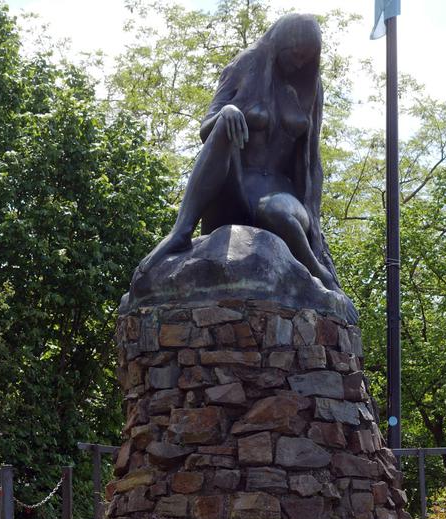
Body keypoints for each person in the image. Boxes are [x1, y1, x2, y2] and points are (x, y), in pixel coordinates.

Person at [136, 13, 346, 303]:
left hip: (280, 191)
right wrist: (228, 111)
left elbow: (313, 161)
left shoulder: (309, 89)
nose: (298, 63)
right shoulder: (246, 65)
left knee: (275, 211)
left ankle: (317, 272)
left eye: (306, 59)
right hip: (235, 188)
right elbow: (207, 127)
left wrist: (315, 224)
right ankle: (180, 232)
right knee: (226, 118)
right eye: (295, 54)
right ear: (280, 42)